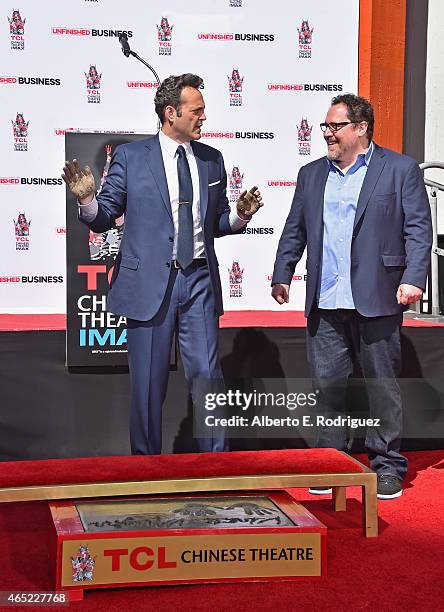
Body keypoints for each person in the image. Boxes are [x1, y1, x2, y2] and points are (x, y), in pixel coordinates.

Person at [63, 73, 263, 455]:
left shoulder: (211, 159)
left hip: (200, 280)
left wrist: (239, 217)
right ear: (171, 113)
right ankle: (146, 472)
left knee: (208, 379)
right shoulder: (130, 157)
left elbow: (217, 223)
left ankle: (214, 469)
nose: (204, 117)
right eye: (197, 110)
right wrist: (87, 200)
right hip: (149, 286)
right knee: (148, 385)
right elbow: (105, 216)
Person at [271, 93, 432, 499]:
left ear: (361, 128)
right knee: (328, 387)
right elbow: (296, 228)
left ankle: (388, 464)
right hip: (325, 300)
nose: (326, 133)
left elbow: (418, 229)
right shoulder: (311, 174)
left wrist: (415, 277)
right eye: (324, 126)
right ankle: (329, 460)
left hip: (378, 296)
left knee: (381, 386)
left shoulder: (399, 169)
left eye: (334, 126)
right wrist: (283, 273)